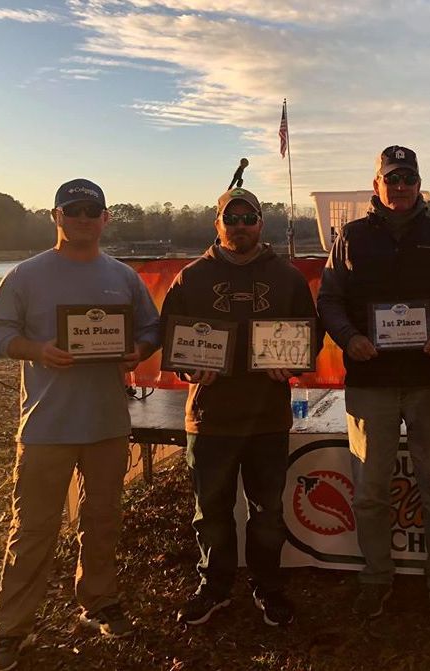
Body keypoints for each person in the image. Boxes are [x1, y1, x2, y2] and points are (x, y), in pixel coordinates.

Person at [0, 178, 160, 671]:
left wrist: (138, 350)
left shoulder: (122, 276)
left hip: (107, 423)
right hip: (46, 427)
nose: (82, 218)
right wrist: (38, 350)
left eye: (91, 211)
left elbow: (150, 328)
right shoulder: (25, 274)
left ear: (105, 219)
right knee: (32, 530)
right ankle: (11, 630)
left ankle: (98, 602)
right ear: (55, 216)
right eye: (72, 210)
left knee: (102, 521)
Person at [317, 146, 430, 622]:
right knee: (369, 489)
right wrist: (349, 338)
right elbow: (329, 300)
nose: (401, 186)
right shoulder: (350, 237)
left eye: (409, 178)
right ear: (377, 185)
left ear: (419, 184)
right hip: (371, 383)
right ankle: (375, 576)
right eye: (392, 178)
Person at [162, 187, 320, 628]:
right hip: (209, 419)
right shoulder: (191, 277)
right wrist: (189, 369)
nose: (240, 226)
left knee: (267, 513)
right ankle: (213, 587)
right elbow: (171, 338)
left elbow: (311, 334)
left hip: (267, 418)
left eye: (248, 218)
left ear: (261, 224)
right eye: (231, 219)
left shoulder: (287, 277)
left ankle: (268, 587)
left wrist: (292, 365)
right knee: (210, 513)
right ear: (218, 224)